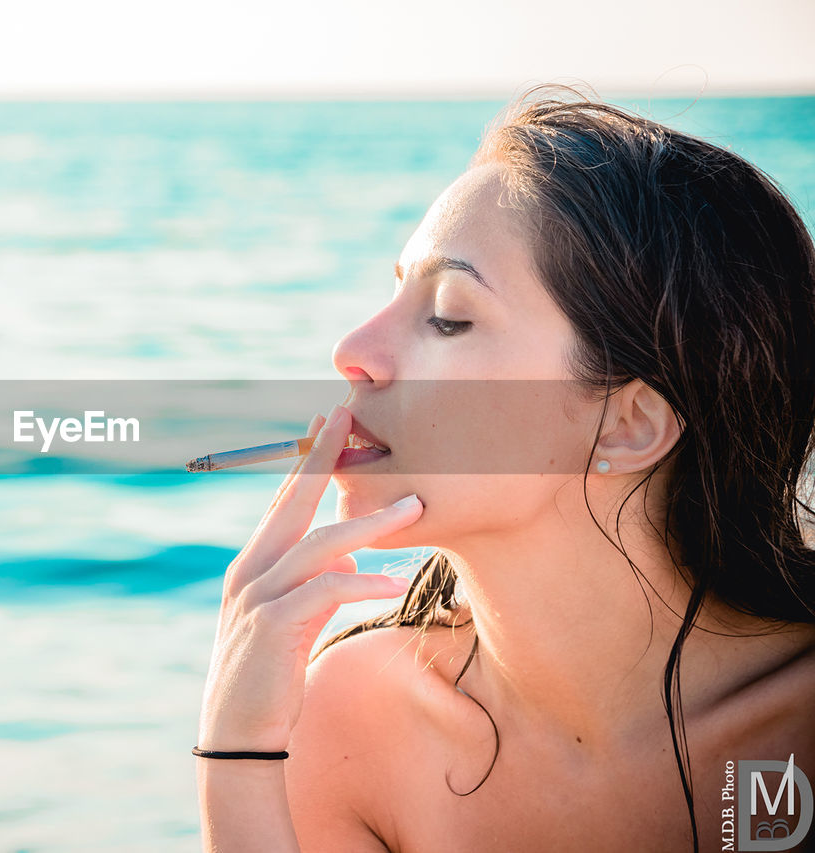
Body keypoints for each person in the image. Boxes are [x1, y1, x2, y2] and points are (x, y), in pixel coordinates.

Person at [195, 86, 815, 852]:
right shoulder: (349, 720)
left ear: (626, 426)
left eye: (449, 316)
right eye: (395, 294)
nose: (353, 349)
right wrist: (236, 755)